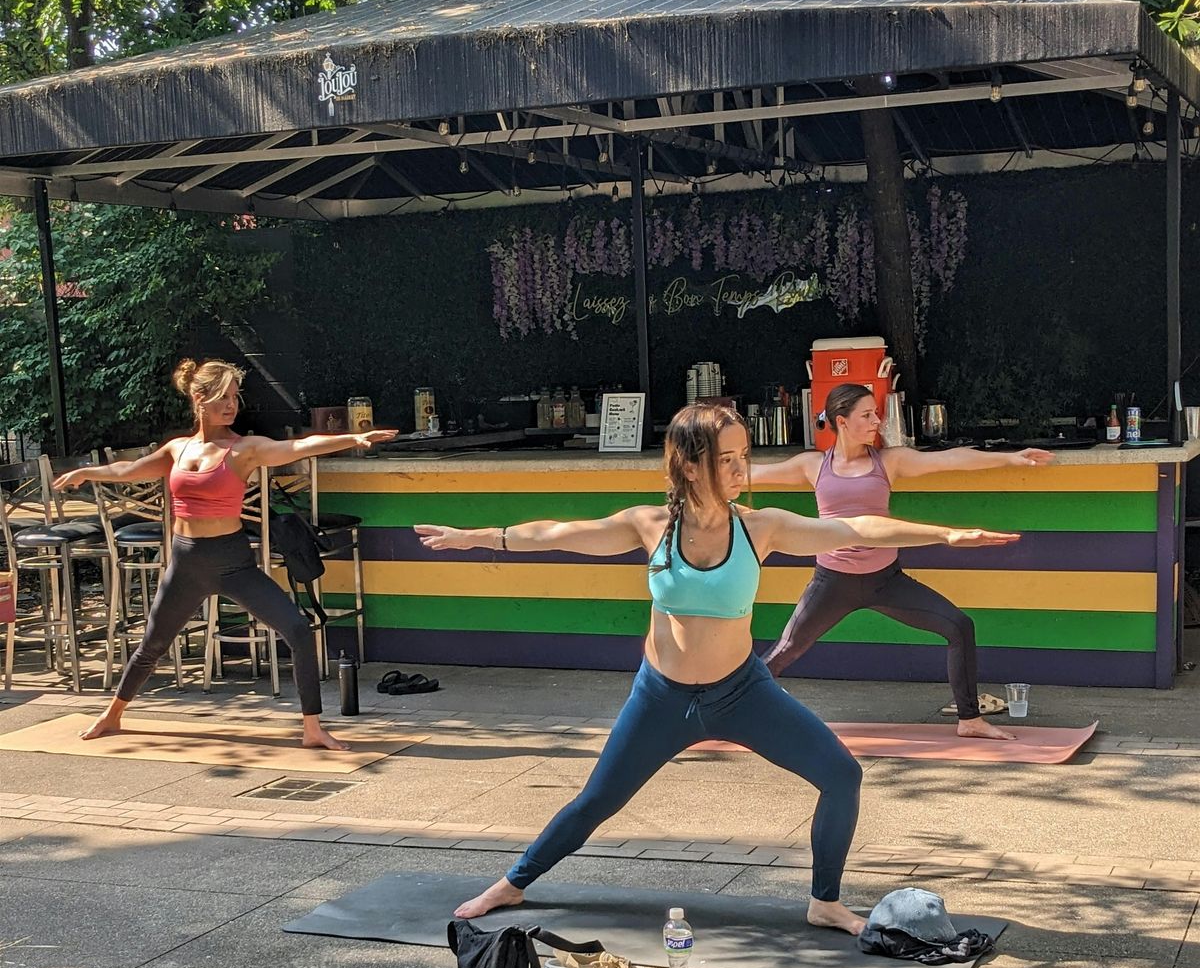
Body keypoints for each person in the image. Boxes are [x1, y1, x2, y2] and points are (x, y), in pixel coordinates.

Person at [417, 400, 1019, 932]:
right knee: (596, 801)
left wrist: (945, 535)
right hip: (661, 698)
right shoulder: (648, 525)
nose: (740, 472)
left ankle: (826, 902)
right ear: (688, 464)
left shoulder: (762, 528)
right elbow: (557, 533)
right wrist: (478, 536)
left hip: (742, 693)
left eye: (743, 458)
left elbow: (855, 525)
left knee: (842, 775)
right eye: (726, 460)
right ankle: (513, 884)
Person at [52, 358, 396, 749]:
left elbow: (297, 446)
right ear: (199, 399)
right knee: (153, 644)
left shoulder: (244, 449)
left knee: (298, 630)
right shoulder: (177, 450)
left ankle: (312, 728)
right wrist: (87, 473)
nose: (232, 405)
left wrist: (351, 439)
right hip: (185, 562)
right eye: (222, 397)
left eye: (235, 397)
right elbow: (130, 470)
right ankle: (112, 715)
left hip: (233, 562)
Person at [753, 384, 1053, 740]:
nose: (876, 421)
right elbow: (748, 472)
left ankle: (970, 719)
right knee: (782, 653)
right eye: (866, 415)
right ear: (841, 421)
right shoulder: (813, 465)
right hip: (832, 582)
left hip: (886, 580)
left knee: (958, 626)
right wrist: (698, 464)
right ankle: (729, 709)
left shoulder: (888, 461)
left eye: (875, 413)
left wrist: (1009, 457)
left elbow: (949, 459)